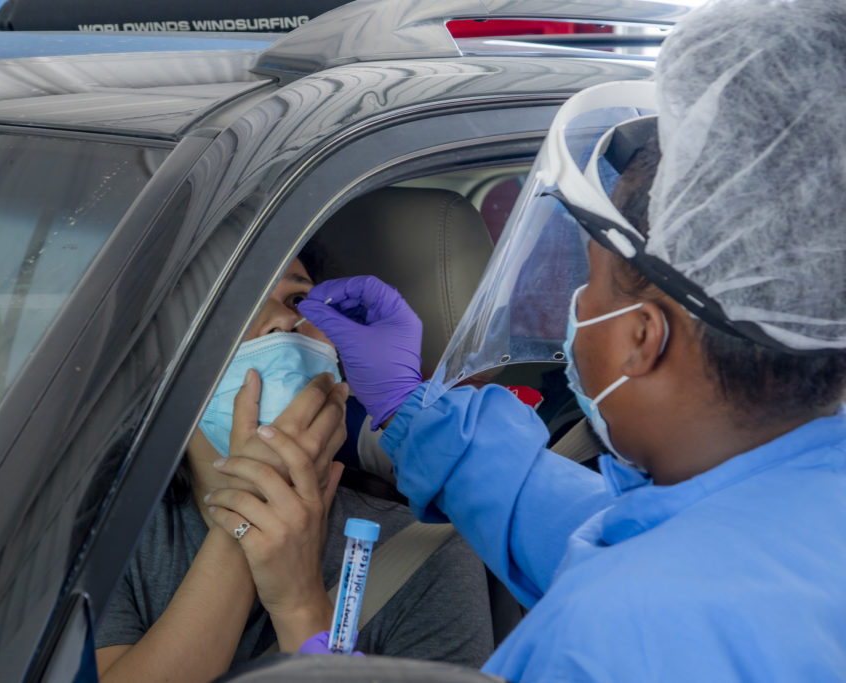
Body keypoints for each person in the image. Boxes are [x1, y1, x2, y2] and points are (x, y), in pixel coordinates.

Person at [284, 0, 846, 679]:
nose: (576, 306)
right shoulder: (794, 503)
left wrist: (311, 644)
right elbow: (602, 529)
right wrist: (408, 408)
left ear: (643, 336)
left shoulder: (609, 637)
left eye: (591, 281)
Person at [94, 256, 493, 683]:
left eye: (299, 298)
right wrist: (255, 504)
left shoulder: (428, 553)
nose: (283, 320)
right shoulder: (107, 537)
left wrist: (302, 609)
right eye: (232, 302)